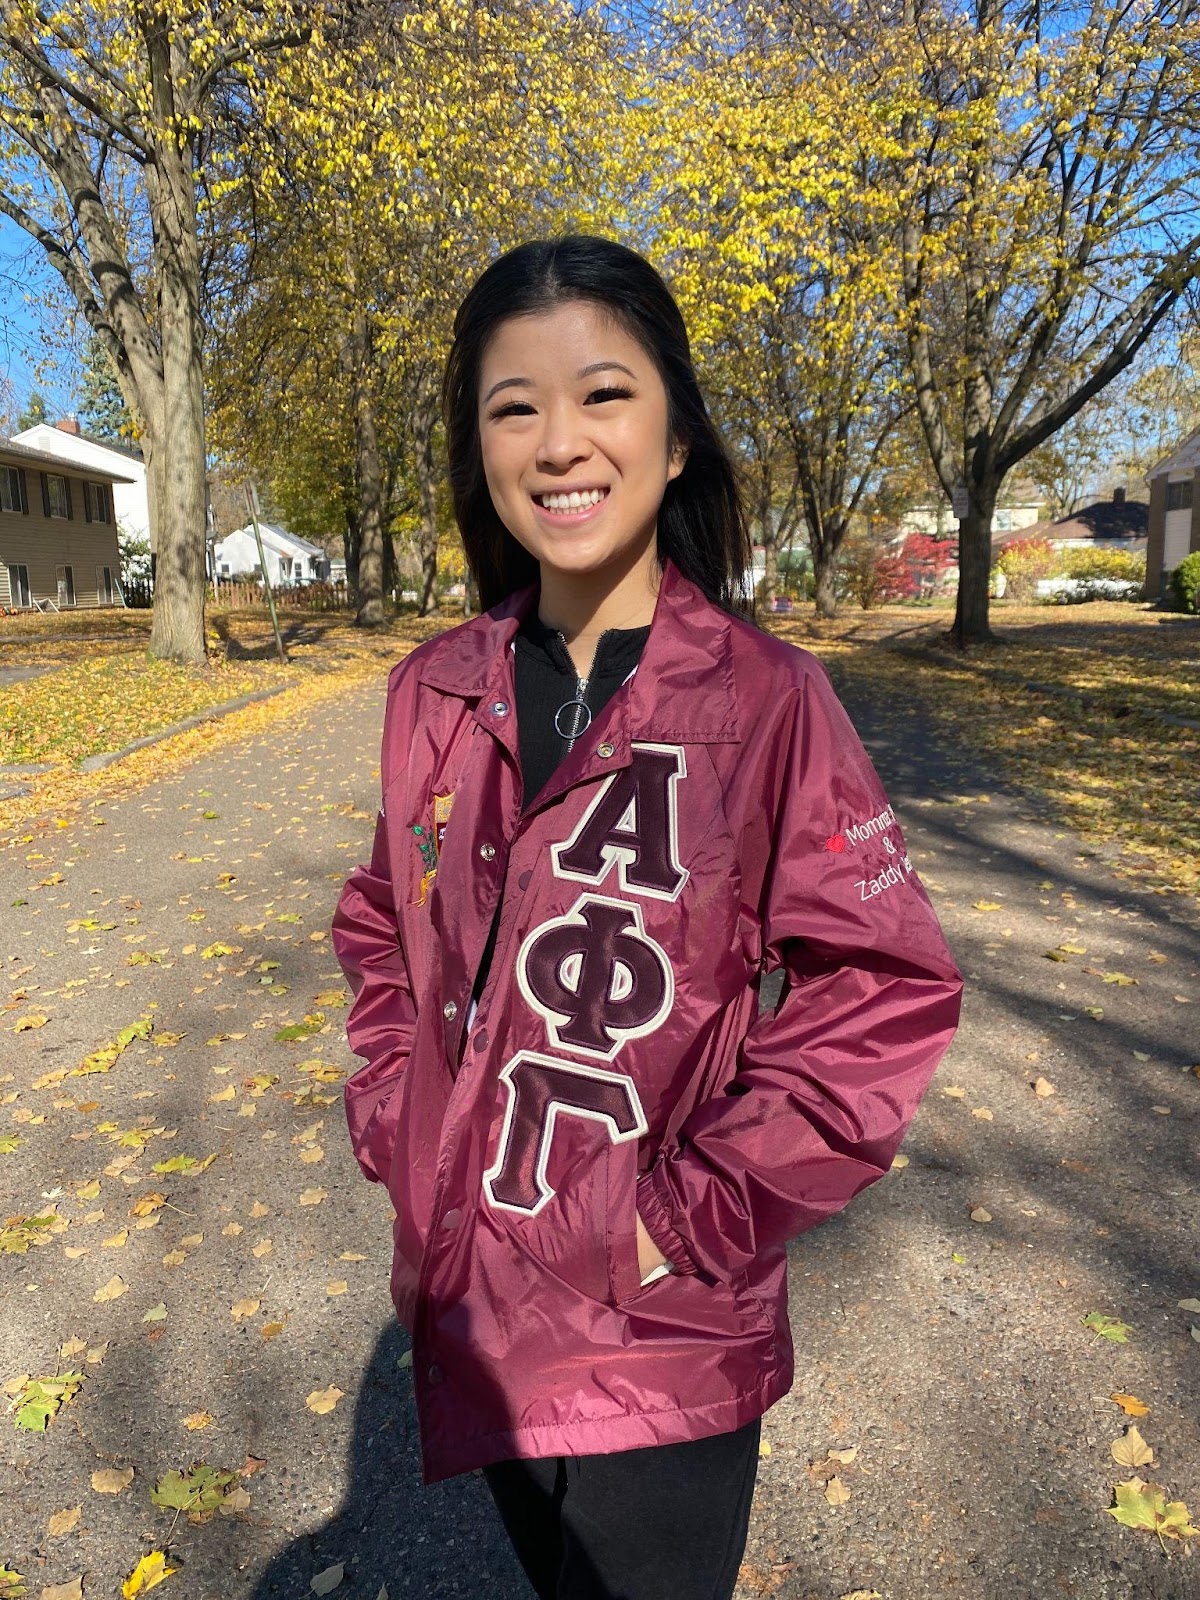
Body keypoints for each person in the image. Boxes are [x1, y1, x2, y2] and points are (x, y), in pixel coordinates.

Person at [331, 235, 963, 1600]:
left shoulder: (766, 701)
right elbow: (383, 916)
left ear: (676, 440)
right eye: (514, 407)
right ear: (480, 451)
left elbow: (885, 986)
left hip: (662, 1339)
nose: (560, 442)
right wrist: (395, 1109)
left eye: (604, 394)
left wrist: (681, 1218)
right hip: (472, 1307)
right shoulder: (433, 691)